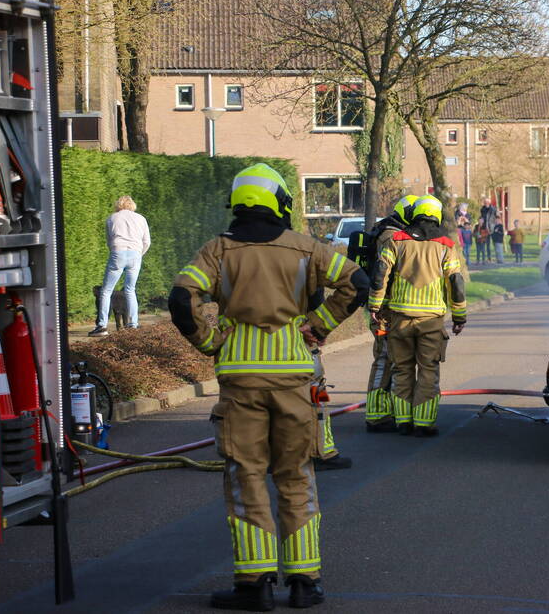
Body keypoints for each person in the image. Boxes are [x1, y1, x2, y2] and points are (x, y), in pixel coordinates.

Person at [168, 163, 369, 611]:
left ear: (238, 204)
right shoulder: (307, 248)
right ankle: (305, 583)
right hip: (295, 379)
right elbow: (358, 282)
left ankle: (254, 585)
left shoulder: (217, 251)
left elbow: (182, 297)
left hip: (240, 382)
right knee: (297, 476)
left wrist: (210, 341)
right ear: (279, 201)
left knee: (247, 477)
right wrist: (318, 327)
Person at [368, 195, 467, 436]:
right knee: (428, 370)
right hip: (430, 322)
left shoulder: (397, 240)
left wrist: (375, 305)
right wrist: (459, 316)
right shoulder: (446, 245)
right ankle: (423, 423)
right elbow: (455, 282)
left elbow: (381, 273)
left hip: (399, 319)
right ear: (437, 215)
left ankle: (403, 422)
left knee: (401, 369)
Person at [364, 195, 417, 433]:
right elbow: (383, 275)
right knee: (385, 359)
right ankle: (376, 414)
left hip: (388, 308)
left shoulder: (387, 231)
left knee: (394, 360)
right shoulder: (389, 237)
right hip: (384, 311)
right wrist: (377, 308)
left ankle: (391, 410)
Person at [89, 195, 150, 337]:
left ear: (118, 205)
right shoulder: (141, 218)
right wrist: (139, 254)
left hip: (118, 252)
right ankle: (133, 325)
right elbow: (147, 241)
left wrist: (116, 251)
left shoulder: (112, 218)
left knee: (106, 291)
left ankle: (102, 326)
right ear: (132, 205)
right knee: (130, 290)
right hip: (135, 254)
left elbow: (109, 241)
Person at [479, 196, 497, 262]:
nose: (486, 203)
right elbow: (481, 217)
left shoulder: (493, 209)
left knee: (495, 243)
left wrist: (495, 225)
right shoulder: (482, 209)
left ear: (489, 202)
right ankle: (489, 258)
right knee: (487, 244)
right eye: (485, 202)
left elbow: (496, 217)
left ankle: (496, 257)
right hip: (485, 228)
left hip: (492, 228)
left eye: (487, 202)